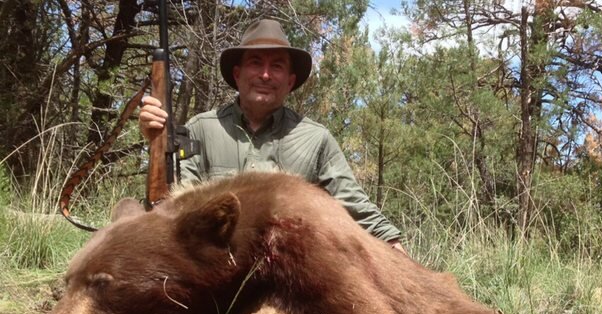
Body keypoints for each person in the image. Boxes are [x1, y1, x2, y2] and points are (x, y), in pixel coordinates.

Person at [139, 18, 405, 252]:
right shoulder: (201, 128)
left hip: (287, 267)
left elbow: (353, 203)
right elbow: (173, 206)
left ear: (289, 81)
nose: (265, 75)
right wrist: (155, 141)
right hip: (216, 268)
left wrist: (392, 243)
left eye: (277, 66)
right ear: (238, 74)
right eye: (256, 63)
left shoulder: (315, 138)